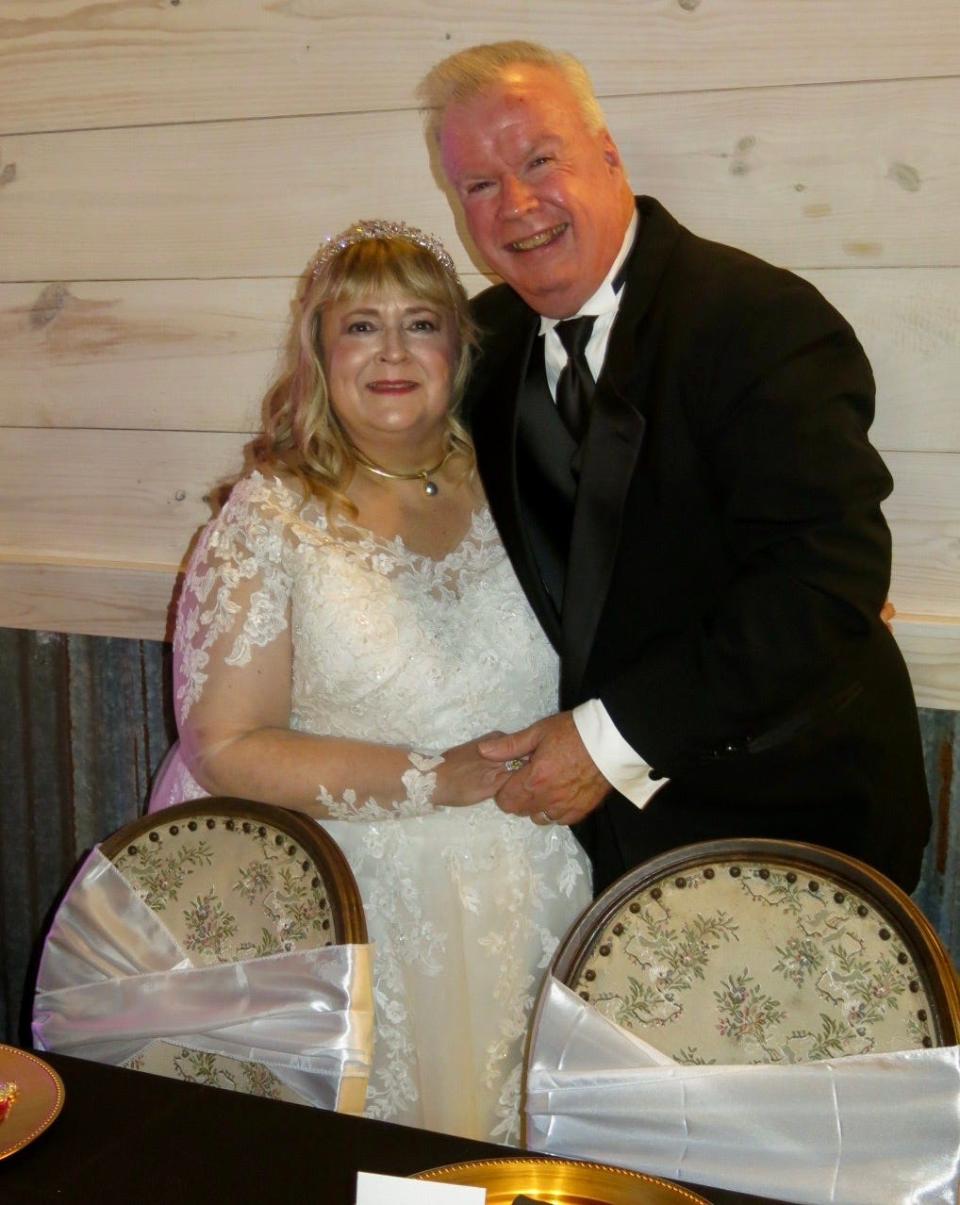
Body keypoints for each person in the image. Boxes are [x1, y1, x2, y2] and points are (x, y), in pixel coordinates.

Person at [416, 42, 931, 896]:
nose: (517, 205)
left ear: (607, 153)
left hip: (796, 826)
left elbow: (823, 582)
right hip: (592, 855)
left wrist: (607, 740)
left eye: (540, 160)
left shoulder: (762, 321)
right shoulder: (478, 345)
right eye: (479, 184)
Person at [148, 219, 592, 1143]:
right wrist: (438, 776)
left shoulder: (524, 480)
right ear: (319, 350)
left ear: (459, 349)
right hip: (342, 912)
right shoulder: (271, 516)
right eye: (360, 326)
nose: (392, 351)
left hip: (528, 897)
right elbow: (223, 745)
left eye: (421, 323)